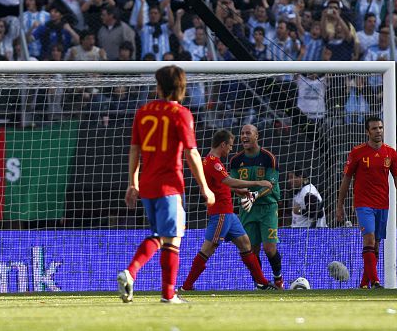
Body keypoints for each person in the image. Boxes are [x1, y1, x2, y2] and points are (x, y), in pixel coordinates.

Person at [117, 65, 214, 304]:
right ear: (181, 87)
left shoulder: (143, 112)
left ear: (159, 86)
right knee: (168, 236)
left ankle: (166, 292)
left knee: (166, 236)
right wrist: (204, 187)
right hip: (169, 185)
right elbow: (192, 154)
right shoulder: (181, 114)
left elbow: (134, 150)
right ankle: (140, 277)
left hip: (147, 186)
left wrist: (133, 183)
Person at [180, 129, 276, 291]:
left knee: (246, 244)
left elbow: (221, 185)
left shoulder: (212, 161)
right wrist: (258, 183)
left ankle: (262, 283)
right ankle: (187, 286)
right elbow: (229, 181)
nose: (231, 149)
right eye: (230, 146)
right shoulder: (213, 162)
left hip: (229, 214)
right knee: (208, 248)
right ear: (223, 144)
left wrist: (240, 191)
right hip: (220, 213)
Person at [336, 116, 397, 289]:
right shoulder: (357, 152)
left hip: (383, 204)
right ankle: (376, 282)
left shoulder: (390, 153)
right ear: (367, 132)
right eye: (375, 128)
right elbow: (346, 179)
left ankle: (363, 284)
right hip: (363, 203)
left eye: (381, 128)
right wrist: (340, 205)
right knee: (368, 240)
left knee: (376, 245)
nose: (379, 131)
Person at [229, 124, 283, 288]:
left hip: (267, 208)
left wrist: (255, 195)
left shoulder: (268, 158)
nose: (244, 136)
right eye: (242, 133)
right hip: (247, 209)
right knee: (251, 249)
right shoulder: (236, 160)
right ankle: (260, 283)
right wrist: (240, 191)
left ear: (256, 136)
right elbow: (231, 183)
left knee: (269, 248)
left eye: (248, 133)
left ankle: (278, 279)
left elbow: (270, 184)